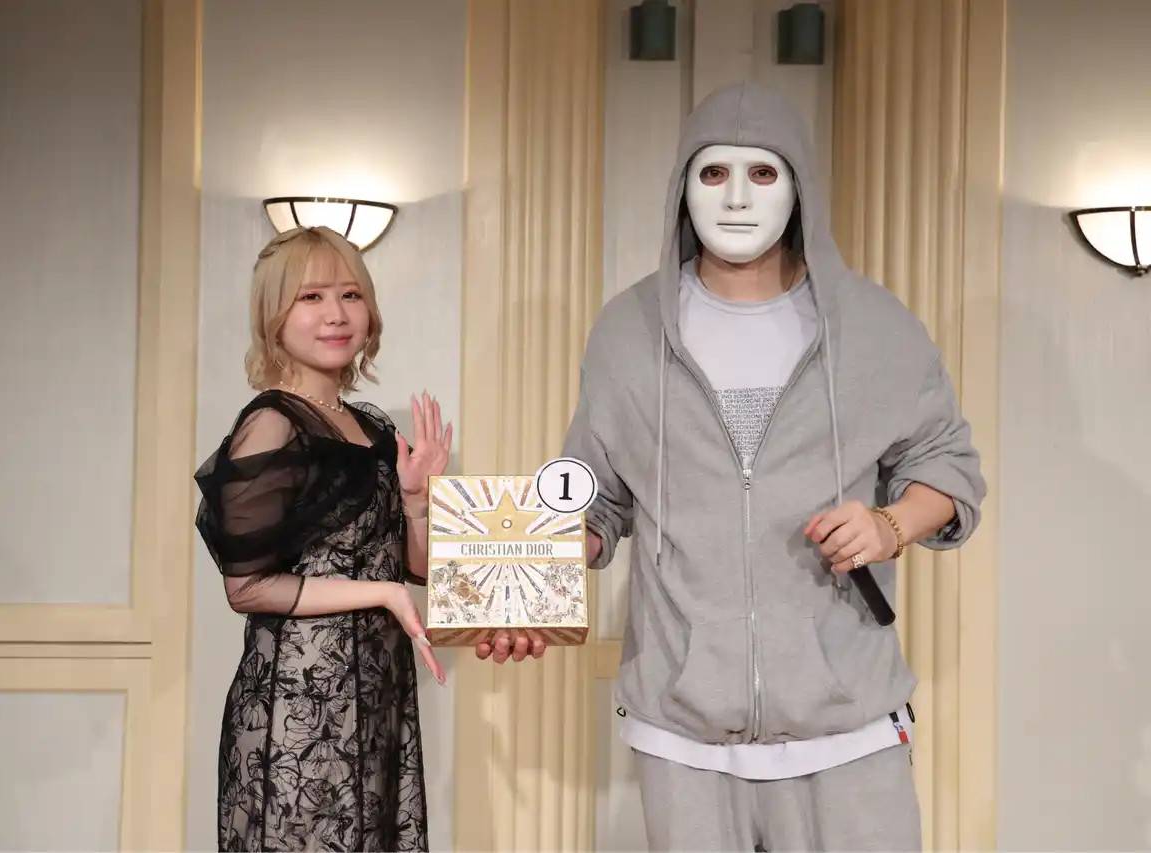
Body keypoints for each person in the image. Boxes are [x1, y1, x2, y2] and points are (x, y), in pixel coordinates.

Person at [480, 81, 986, 852]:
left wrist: (889, 524)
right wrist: (523, 585)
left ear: (798, 185)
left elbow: (946, 463)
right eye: (714, 173)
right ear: (683, 188)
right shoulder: (628, 330)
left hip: (848, 724)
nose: (738, 198)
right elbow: (595, 498)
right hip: (683, 734)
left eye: (763, 173)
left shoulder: (875, 325)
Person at [194, 225, 452, 852]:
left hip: (377, 695)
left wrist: (417, 500)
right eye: (310, 297)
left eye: (350, 294)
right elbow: (248, 588)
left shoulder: (370, 427)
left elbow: (414, 568)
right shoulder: (272, 423)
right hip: (299, 706)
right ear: (274, 316)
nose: (336, 314)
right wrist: (383, 593)